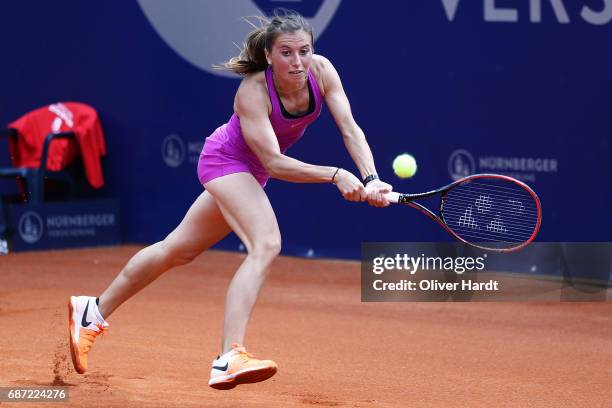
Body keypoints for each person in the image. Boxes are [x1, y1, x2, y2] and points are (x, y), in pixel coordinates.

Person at [68, 10, 392, 390]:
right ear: (269, 56)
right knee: (267, 243)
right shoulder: (253, 91)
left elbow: (350, 129)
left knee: (177, 250)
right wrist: (336, 175)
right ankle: (228, 356)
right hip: (225, 161)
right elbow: (274, 161)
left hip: (251, 173)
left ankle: (92, 311)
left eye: (304, 51)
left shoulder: (322, 72)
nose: (297, 61)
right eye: (286, 53)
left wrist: (371, 178)